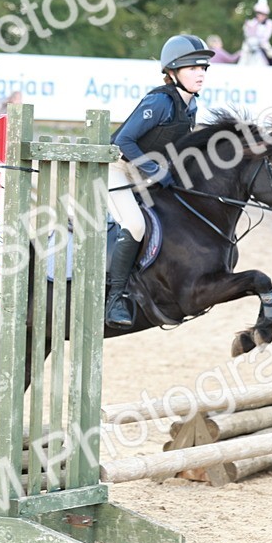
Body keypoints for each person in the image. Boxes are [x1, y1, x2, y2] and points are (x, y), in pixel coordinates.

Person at [104, 34, 212, 329]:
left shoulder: (190, 107)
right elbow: (123, 140)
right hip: (115, 168)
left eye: (203, 68)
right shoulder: (160, 101)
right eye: (193, 68)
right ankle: (115, 298)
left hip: (141, 173)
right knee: (135, 224)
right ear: (173, 71)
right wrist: (155, 170)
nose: (200, 73)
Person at [242, 0, 272, 65]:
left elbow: (267, 35)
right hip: (253, 43)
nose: (259, 16)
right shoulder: (254, 21)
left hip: (263, 43)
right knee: (245, 50)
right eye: (258, 13)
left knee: (269, 53)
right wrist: (247, 26)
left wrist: (260, 41)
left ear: (265, 15)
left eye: (261, 14)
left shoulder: (269, 23)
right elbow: (249, 32)